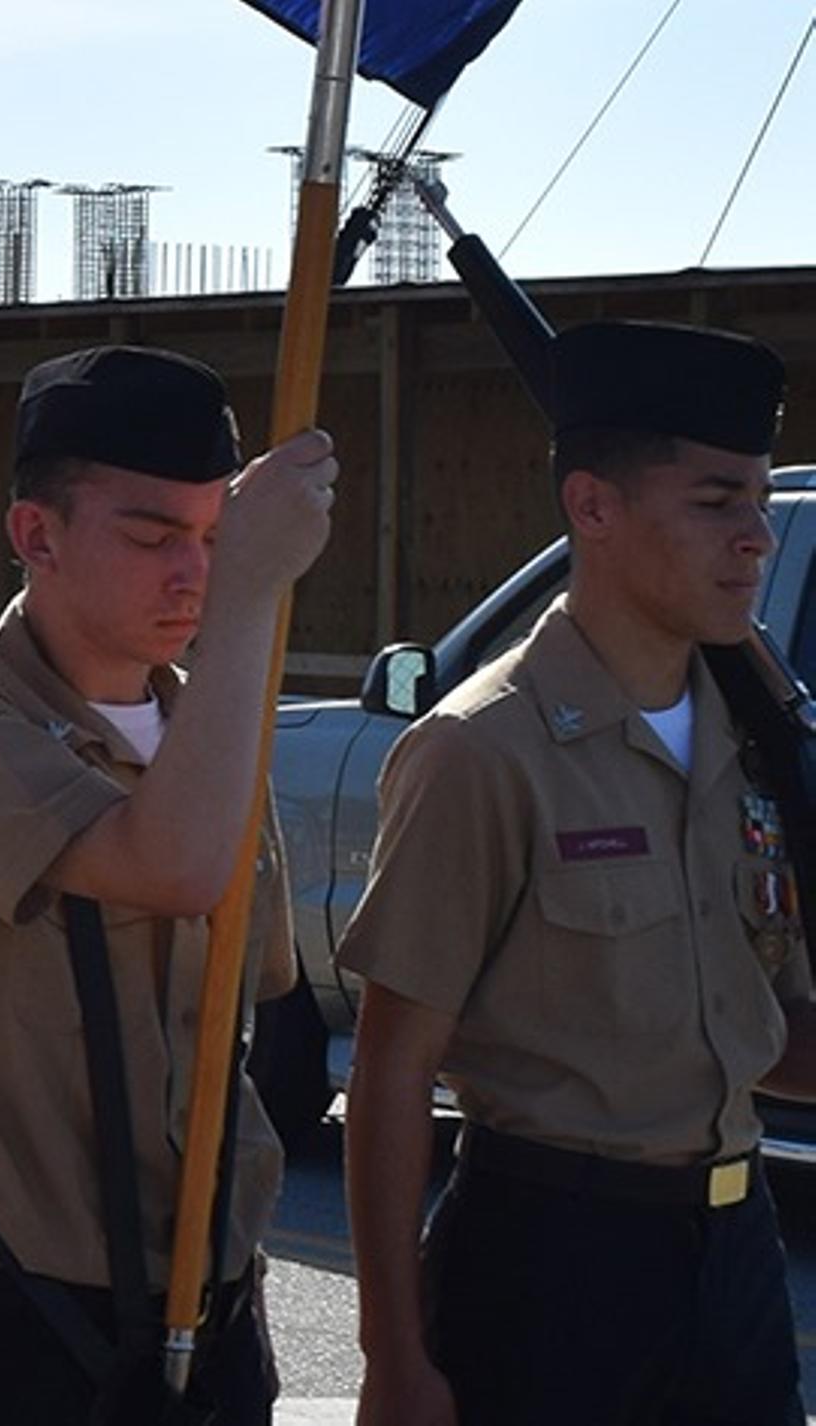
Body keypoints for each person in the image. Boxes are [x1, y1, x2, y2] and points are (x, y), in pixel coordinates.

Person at [0, 346, 333, 1423]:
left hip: (210, 1301)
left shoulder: (206, 731)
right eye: (155, 535)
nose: (195, 573)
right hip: (15, 1316)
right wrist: (256, 593)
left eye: (213, 538)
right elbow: (171, 866)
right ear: (37, 534)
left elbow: (261, 995)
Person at [343, 321, 816, 1426]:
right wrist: (393, 1357)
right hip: (552, 1261)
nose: (754, 537)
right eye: (713, 501)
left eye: (757, 501)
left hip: (734, 1252)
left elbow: (756, 1027)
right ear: (593, 508)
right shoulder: (482, 748)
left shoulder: (757, 741)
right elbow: (391, 1070)